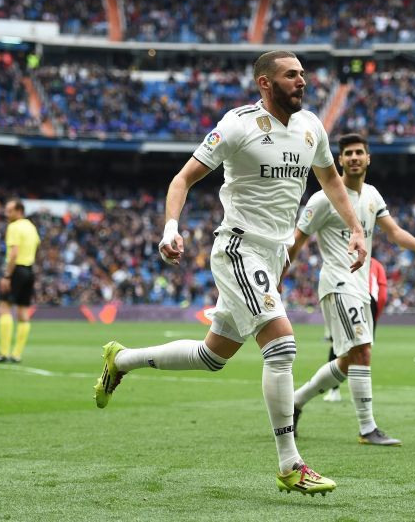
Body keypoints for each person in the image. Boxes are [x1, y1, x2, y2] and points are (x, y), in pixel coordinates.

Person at [93, 51, 367, 496]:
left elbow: (331, 180)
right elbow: (182, 180)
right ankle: (290, 464)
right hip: (239, 248)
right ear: (265, 83)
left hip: (273, 255)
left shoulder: (311, 126)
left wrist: (355, 228)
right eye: (291, 75)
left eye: (302, 74)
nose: (302, 81)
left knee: (212, 356)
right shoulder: (238, 124)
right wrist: (170, 228)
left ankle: (120, 360)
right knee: (281, 346)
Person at [285, 133, 415, 446]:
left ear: (368, 159)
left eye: (359, 153)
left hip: (361, 286)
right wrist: (276, 279)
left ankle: (295, 402)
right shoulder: (322, 199)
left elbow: (394, 232)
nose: (354, 158)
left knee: (347, 360)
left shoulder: (371, 195)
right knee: (363, 351)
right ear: (340, 160)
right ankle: (367, 428)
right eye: (348, 154)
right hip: (338, 284)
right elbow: (297, 242)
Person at [322, 256, 387, 403]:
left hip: (346, 296)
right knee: (364, 349)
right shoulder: (377, 264)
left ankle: (334, 391)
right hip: (369, 302)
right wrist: (375, 315)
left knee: (337, 345)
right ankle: (360, 393)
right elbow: (382, 294)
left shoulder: (345, 258)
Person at [0, 200, 40, 363]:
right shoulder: (31, 227)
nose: (6, 214)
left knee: (4, 308)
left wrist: (7, 276)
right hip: (29, 270)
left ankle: (3, 353)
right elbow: (37, 245)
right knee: (23, 313)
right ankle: (16, 355)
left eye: (9, 211)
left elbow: (14, 253)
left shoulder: (14, 227)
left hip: (16, 270)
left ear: (19, 211)